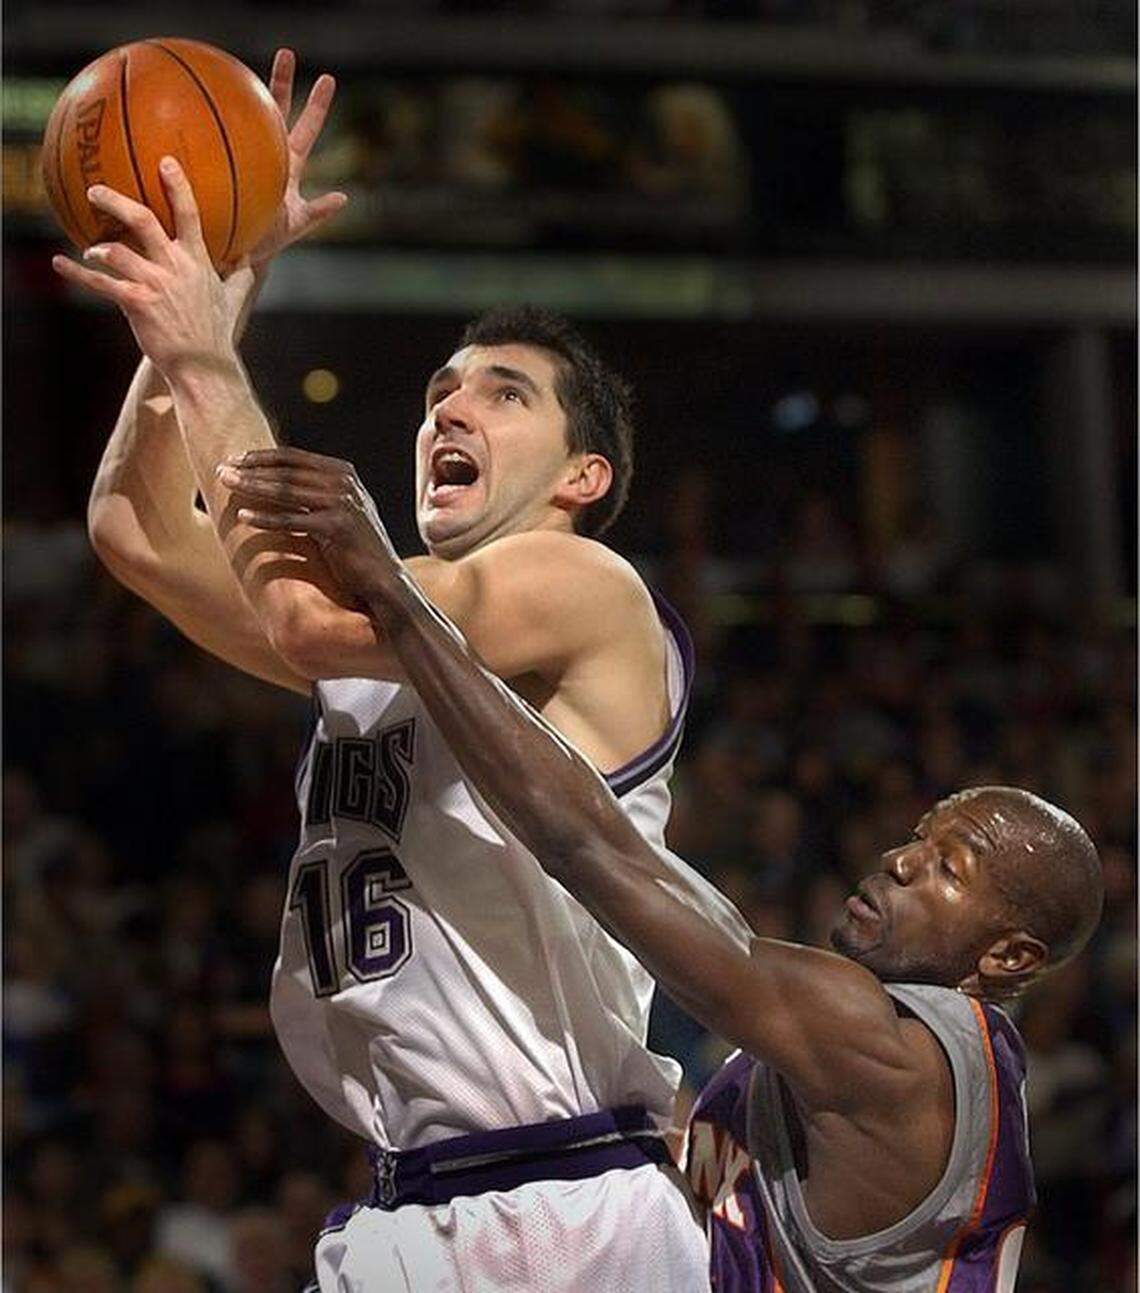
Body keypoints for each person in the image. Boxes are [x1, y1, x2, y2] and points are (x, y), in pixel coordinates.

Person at [58, 50, 711, 1292]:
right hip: (415, 1199)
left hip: (564, 1204)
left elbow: (301, 617)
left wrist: (208, 354)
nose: (449, 412)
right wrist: (219, 283)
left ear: (584, 479)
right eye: (439, 391)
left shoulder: (581, 585)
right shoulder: (387, 622)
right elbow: (137, 533)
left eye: (504, 396)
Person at [219, 447, 1106, 1291]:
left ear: (1010, 956)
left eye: (947, 864)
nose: (902, 857)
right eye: (919, 834)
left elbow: (592, 851)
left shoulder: (888, 1047)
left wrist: (397, 598)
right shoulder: (893, 1070)